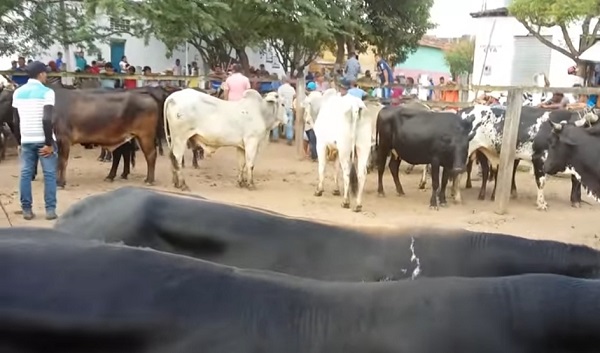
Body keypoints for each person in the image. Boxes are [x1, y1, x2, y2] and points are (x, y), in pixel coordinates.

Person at [11, 61, 58, 220]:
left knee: (25, 174)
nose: (46, 76)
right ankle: (50, 210)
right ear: (41, 74)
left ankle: (26, 209)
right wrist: (48, 143)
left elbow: (15, 121)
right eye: (45, 73)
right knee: (50, 174)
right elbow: (47, 119)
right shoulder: (47, 92)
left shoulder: (17, 93)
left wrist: (19, 141)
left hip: (26, 139)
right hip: (42, 138)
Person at [273, 76, 296, 144]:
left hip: (281, 107)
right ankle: (289, 137)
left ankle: (275, 136)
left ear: (282, 81)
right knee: (289, 123)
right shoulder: (292, 89)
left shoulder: (280, 88)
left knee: (277, 121)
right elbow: (294, 96)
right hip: (290, 107)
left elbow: (278, 97)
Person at [302, 82, 319, 161]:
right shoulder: (320, 95)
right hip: (318, 121)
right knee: (315, 140)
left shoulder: (308, 97)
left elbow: (303, 107)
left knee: (312, 140)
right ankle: (315, 155)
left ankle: (314, 156)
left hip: (309, 121)